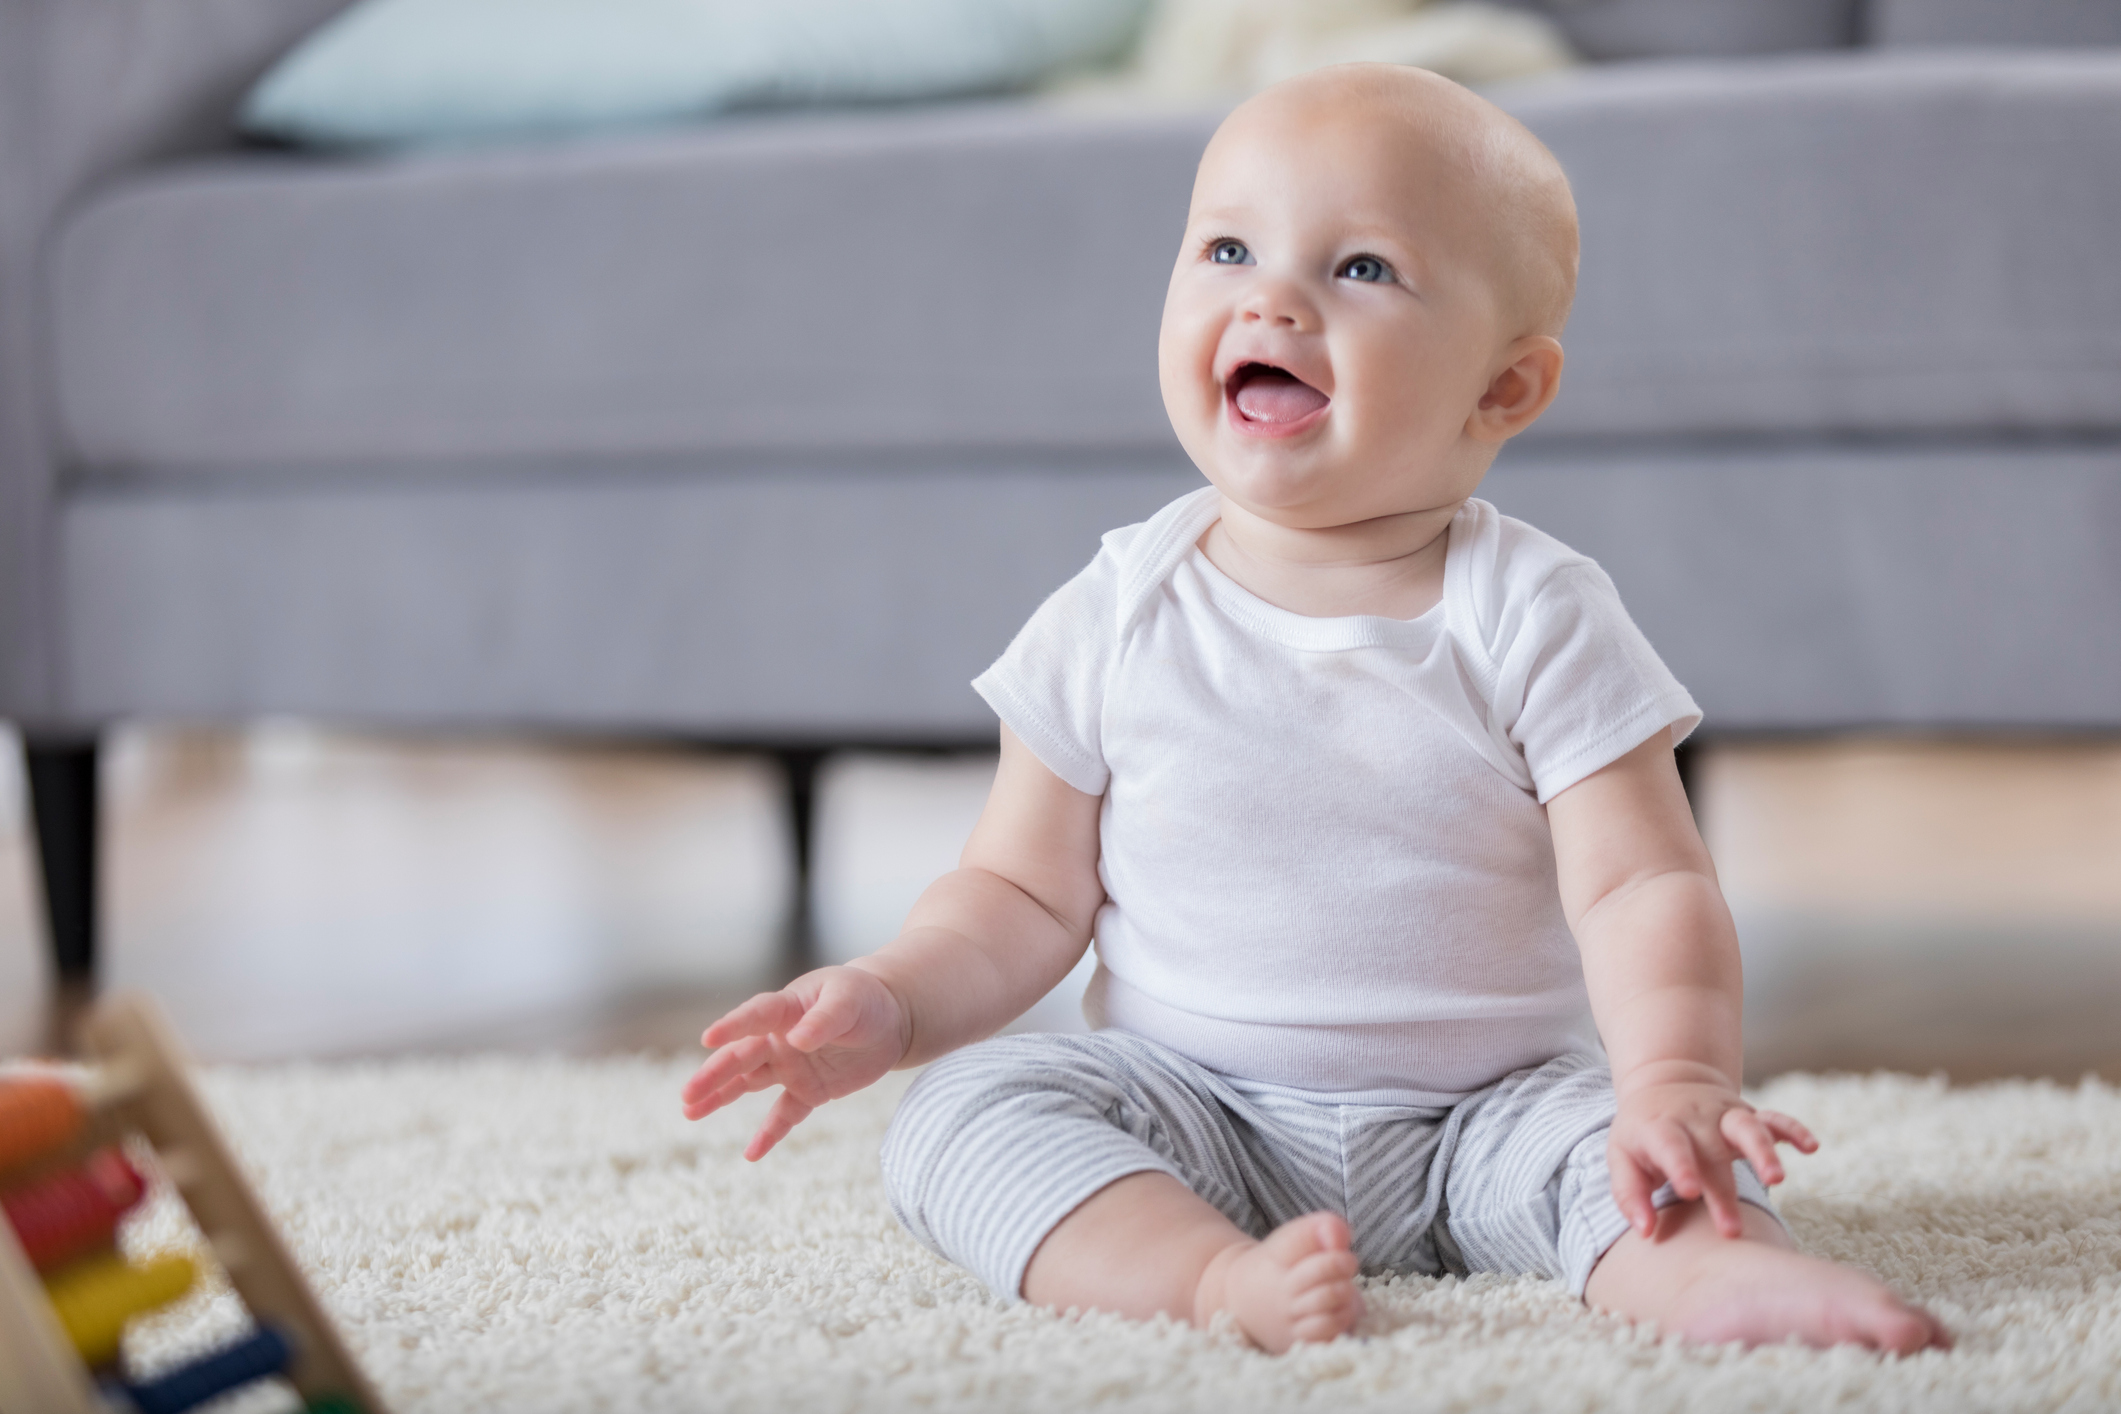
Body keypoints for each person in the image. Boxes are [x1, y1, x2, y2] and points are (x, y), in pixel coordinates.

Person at [682, 63, 1950, 1357]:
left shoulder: (1532, 609)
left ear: (1502, 390)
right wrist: (891, 999)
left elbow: (1639, 887)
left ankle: (1714, 1284)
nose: (1269, 296)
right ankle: (1204, 1277)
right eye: (1227, 247)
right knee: (964, 1112)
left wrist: (1673, 1079)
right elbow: (1015, 891)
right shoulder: (1116, 609)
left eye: (1359, 269)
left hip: (1486, 1116)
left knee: (1629, 1155)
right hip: (1191, 1113)